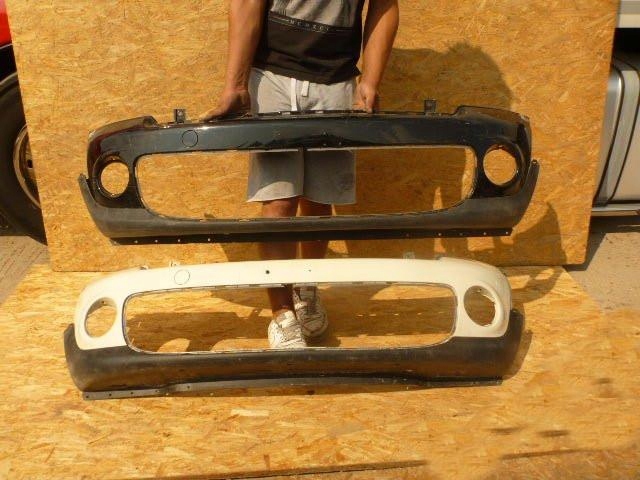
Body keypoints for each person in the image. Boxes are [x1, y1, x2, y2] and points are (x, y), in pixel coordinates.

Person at [201, 0, 399, 349]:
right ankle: (282, 313)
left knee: (320, 199)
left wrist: (370, 80)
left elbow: (384, 6)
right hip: (273, 73)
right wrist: (236, 85)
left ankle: (307, 287)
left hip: (336, 79)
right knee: (279, 200)